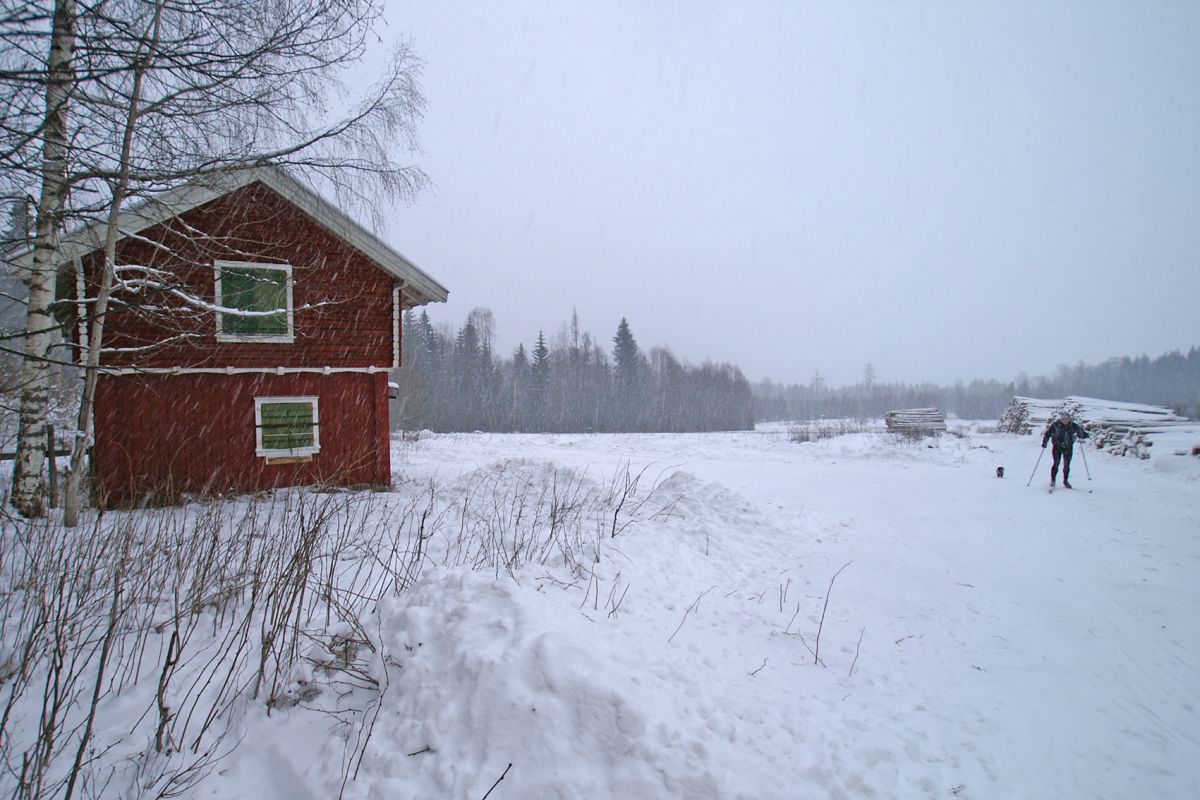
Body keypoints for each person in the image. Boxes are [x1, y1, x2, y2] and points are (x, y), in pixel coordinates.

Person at [1041, 412, 1089, 488]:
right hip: (1057, 447)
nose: (1065, 420)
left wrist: (1085, 435)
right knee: (1056, 463)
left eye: (1066, 419)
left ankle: (1065, 481)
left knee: (1067, 465)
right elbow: (1048, 434)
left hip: (1068, 447)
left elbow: (1081, 433)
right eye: (1063, 419)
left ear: (1069, 419)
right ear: (1061, 419)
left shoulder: (1073, 425)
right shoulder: (1055, 425)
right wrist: (1045, 442)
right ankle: (1053, 480)